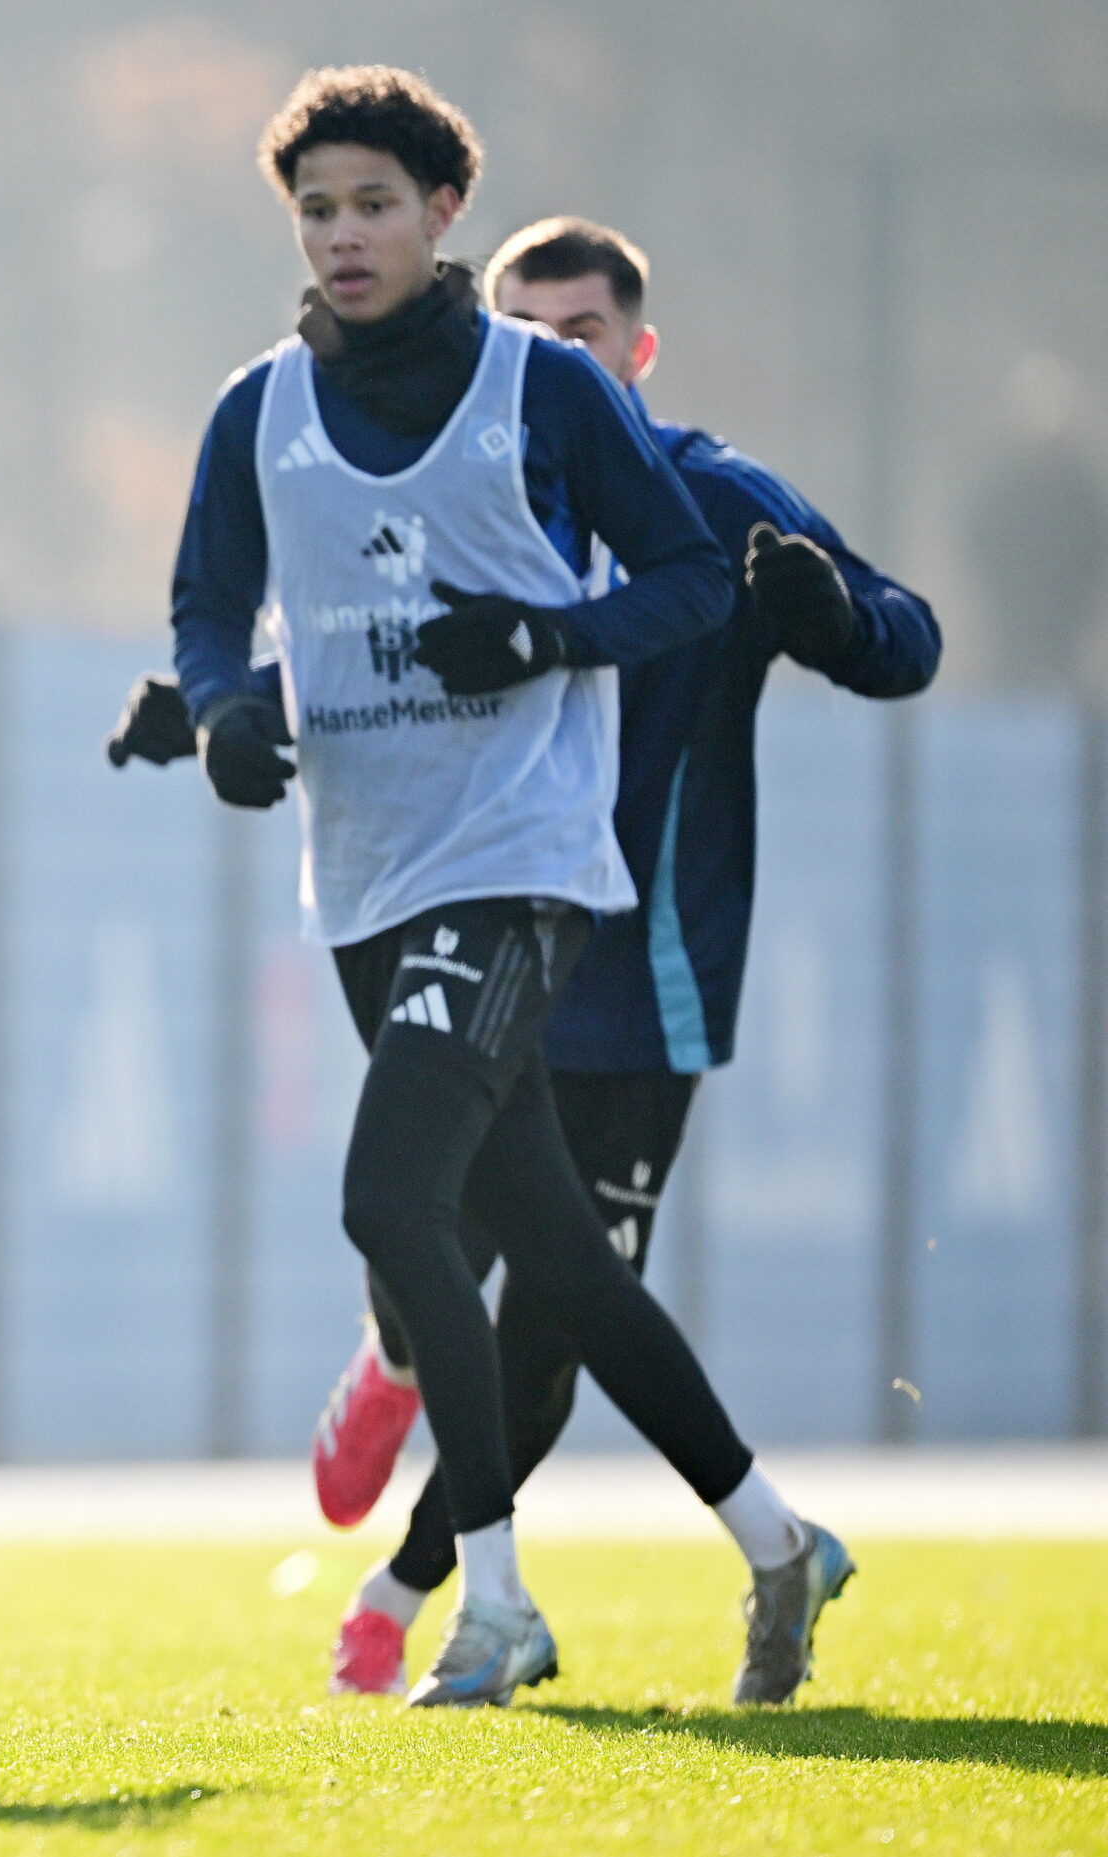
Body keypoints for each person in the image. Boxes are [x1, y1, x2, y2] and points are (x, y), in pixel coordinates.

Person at [154, 65, 845, 1707]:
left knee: (390, 1202)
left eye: (372, 204)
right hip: (369, 877)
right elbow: (204, 607)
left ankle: (500, 1597)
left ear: (443, 209)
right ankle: (776, 1538)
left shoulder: (541, 389)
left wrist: (540, 633)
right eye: (315, 210)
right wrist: (229, 709)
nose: (341, 236)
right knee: (564, 1259)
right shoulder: (257, 408)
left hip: (525, 865)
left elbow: (683, 578)